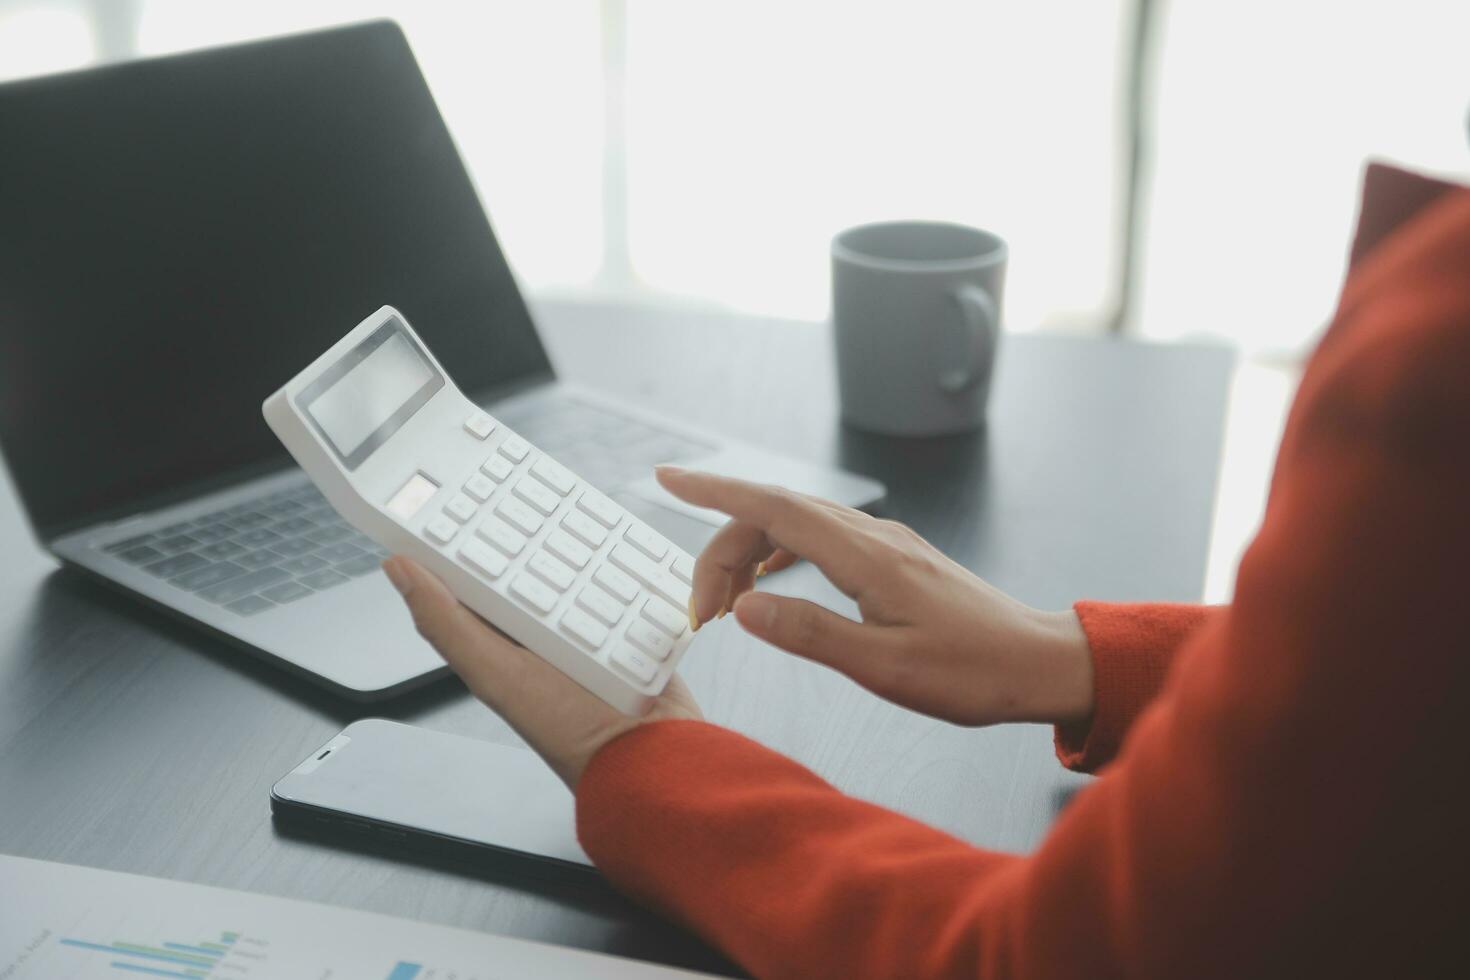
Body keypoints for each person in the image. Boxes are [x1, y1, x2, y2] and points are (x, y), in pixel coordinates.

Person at [379, 161, 1468, 979]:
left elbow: (1028, 962)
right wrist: (1078, 656)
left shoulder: (1440, 362)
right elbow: (1424, 699)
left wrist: (643, 757)